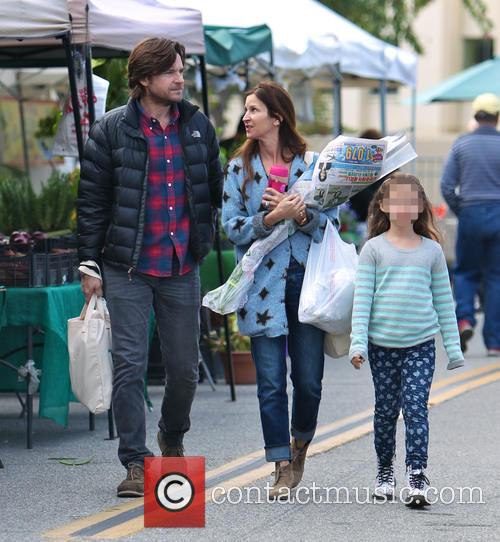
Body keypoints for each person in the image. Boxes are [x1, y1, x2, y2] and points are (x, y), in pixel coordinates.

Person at [77, 38, 223, 497]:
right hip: (128, 266)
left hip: (182, 265)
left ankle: (172, 435)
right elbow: (92, 203)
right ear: (143, 80)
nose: (180, 79)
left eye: (181, 70)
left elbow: (213, 188)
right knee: (128, 365)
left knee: (183, 369)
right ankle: (136, 462)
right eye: (170, 72)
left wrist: (205, 234)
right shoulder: (110, 130)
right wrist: (89, 264)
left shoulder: (197, 125)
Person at [221, 81, 339, 500]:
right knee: (270, 383)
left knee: (308, 382)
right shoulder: (239, 169)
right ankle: (280, 465)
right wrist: (271, 218)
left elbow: (332, 226)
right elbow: (230, 226)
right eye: (245, 110)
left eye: (253, 110)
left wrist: (300, 213)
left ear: (277, 117)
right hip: (262, 289)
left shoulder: (313, 165)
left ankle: (300, 443)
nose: (245, 117)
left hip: (307, 286)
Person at [349, 173, 464, 507]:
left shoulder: (431, 252)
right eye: (396, 200)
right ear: (383, 205)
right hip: (381, 345)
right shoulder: (372, 249)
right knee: (385, 411)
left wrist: (453, 348)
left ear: (420, 207)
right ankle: (385, 471)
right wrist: (358, 344)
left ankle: (417, 473)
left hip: (420, 346)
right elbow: (363, 301)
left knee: (415, 409)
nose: (403, 206)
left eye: (410, 201)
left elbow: (444, 300)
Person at [441, 93, 500, 355]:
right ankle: (495, 342)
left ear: (475, 116)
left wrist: (461, 209)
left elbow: (446, 185)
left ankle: (464, 319)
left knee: (465, 272)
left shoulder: (461, 145)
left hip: (470, 214)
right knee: (496, 277)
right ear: (497, 117)